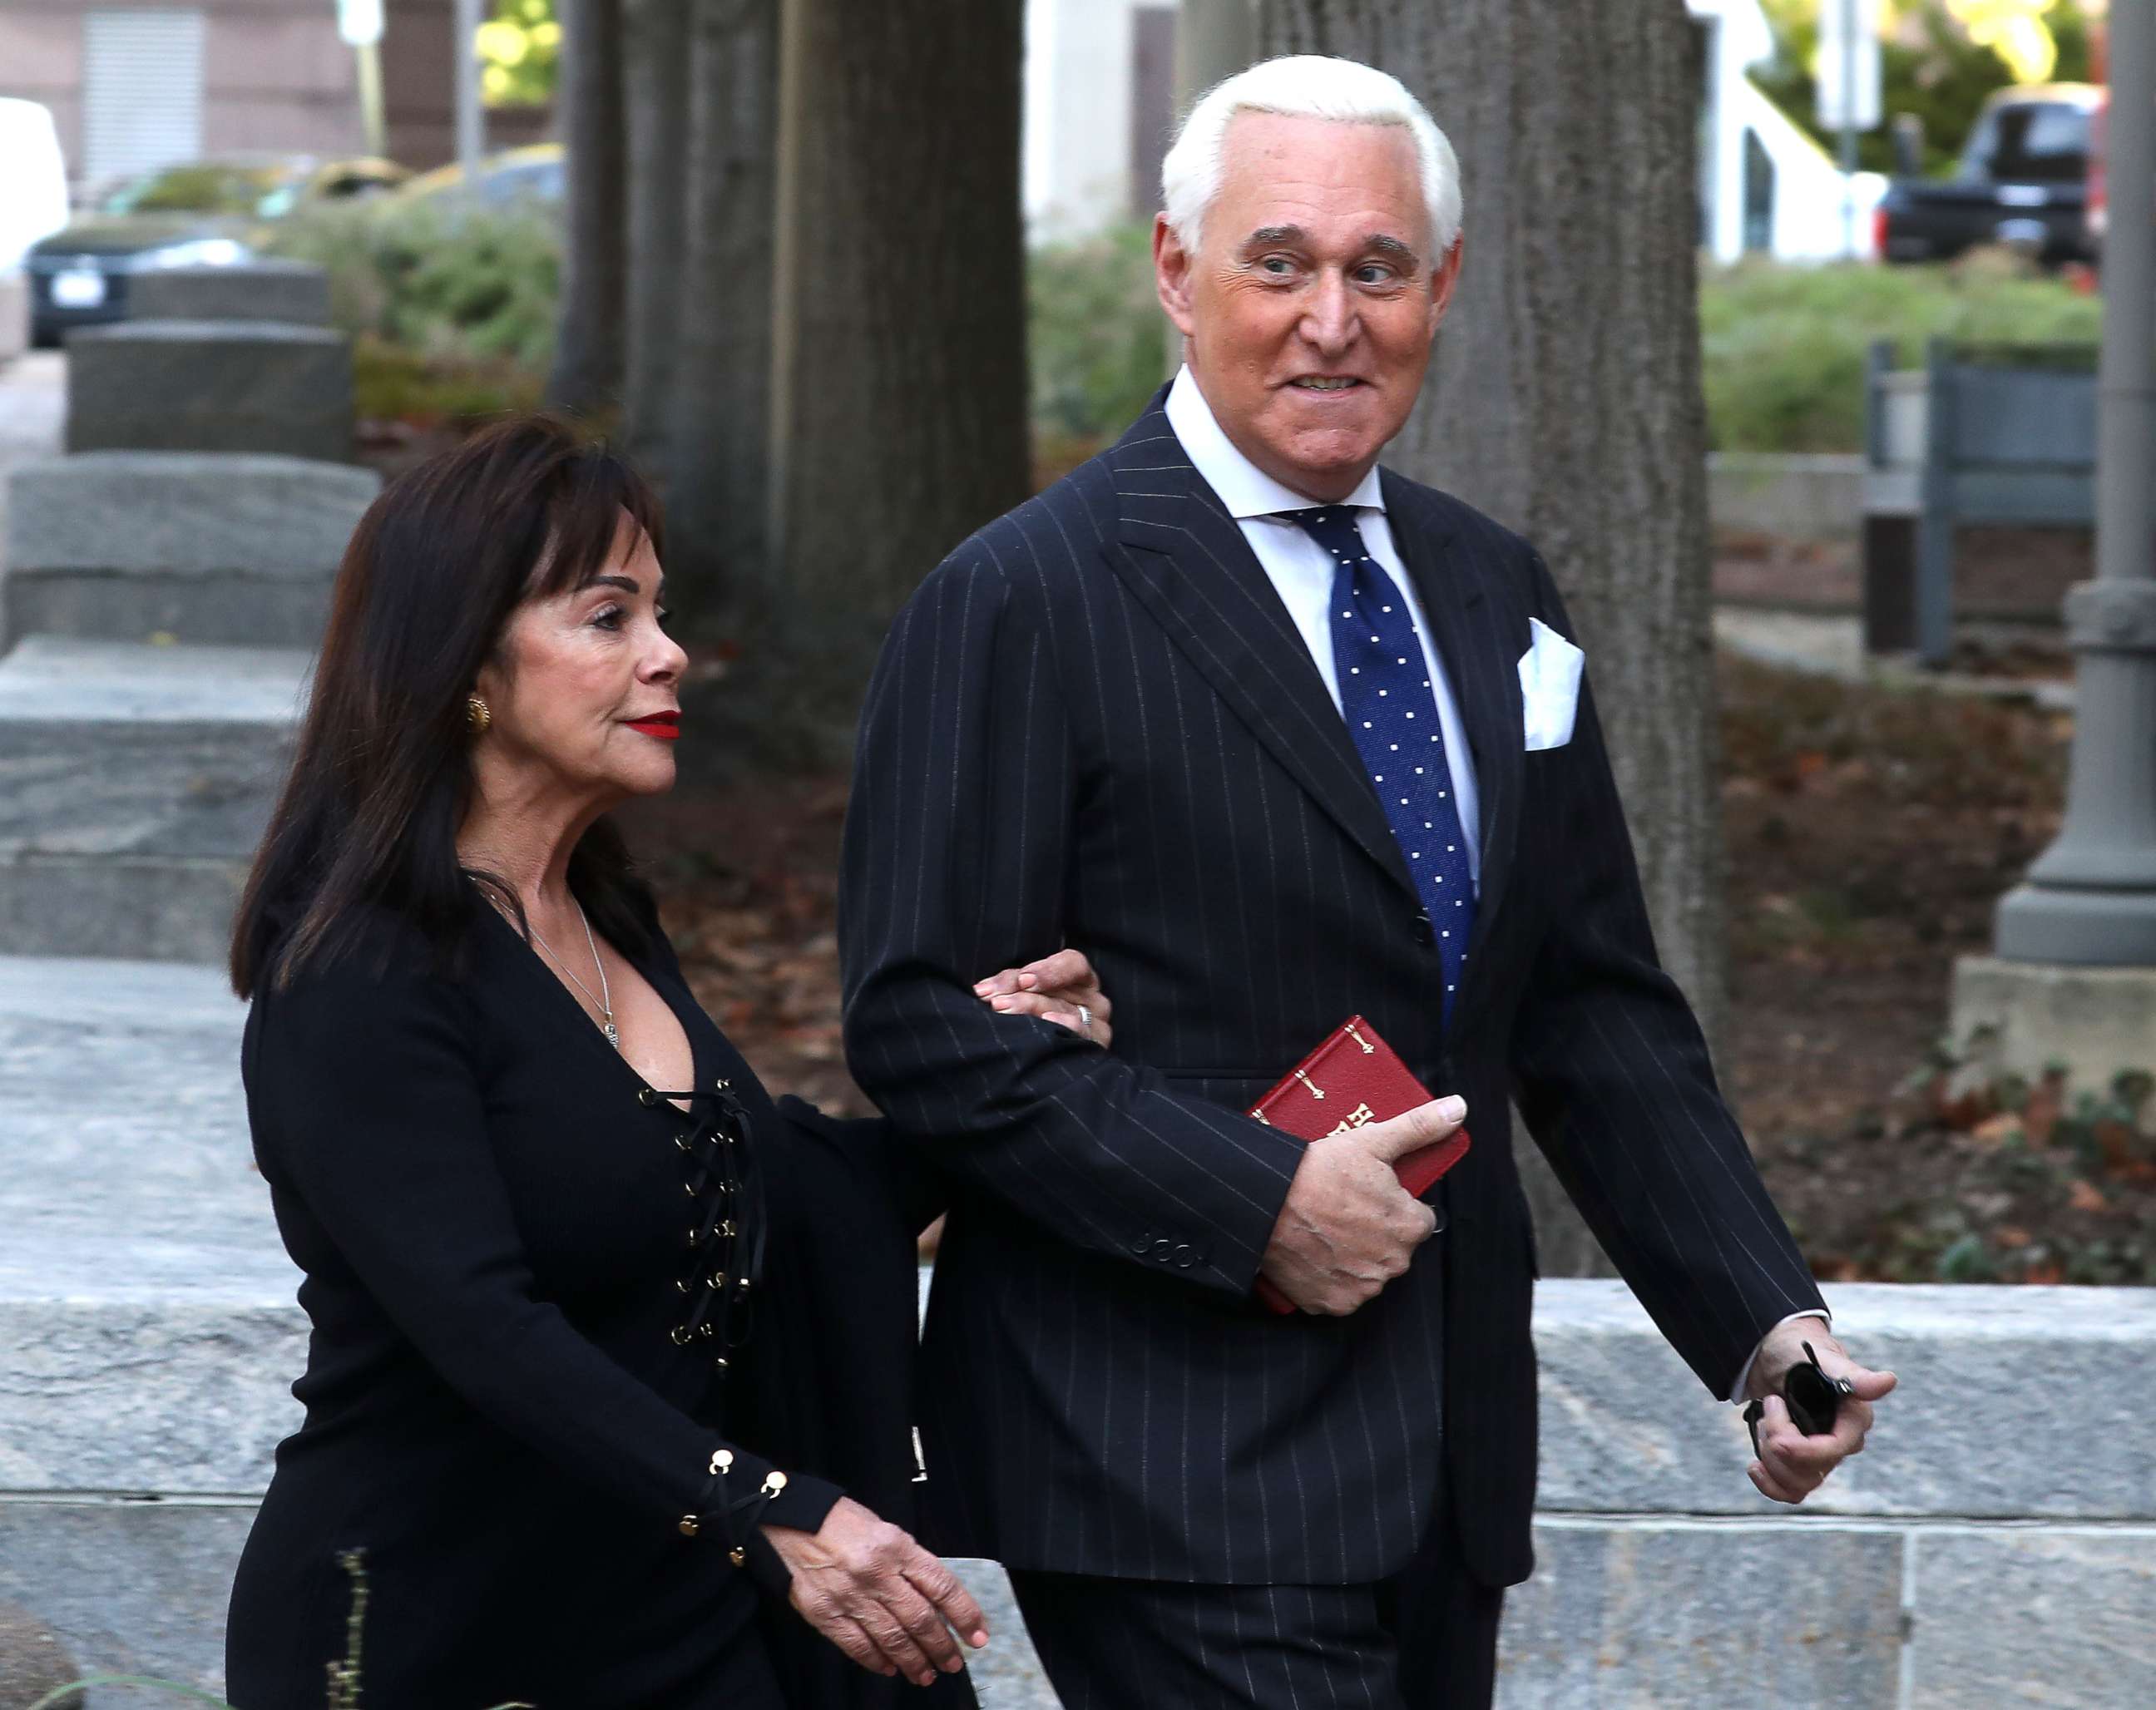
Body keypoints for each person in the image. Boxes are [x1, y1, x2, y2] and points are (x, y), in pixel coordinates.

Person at [838, 55, 1897, 1709]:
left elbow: (1585, 1005)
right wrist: (1252, 1192)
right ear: (1179, 272)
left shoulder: (1491, 591)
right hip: (1167, 1453)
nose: (1333, 317)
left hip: (1443, 1469)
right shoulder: (1019, 601)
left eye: (1376, 268)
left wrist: (1762, 1321)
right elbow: (926, 1031)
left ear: (1441, 285)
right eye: (1281, 263)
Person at [221, 416, 1115, 1708]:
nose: (670, 653)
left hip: (669, 1612)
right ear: (466, 660)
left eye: (660, 611)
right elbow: (488, 1333)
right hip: (434, 1627)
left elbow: (777, 1203)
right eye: (609, 617)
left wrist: (1019, 1064)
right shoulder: (361, 976)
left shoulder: (601, 921)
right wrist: (777, 1509)